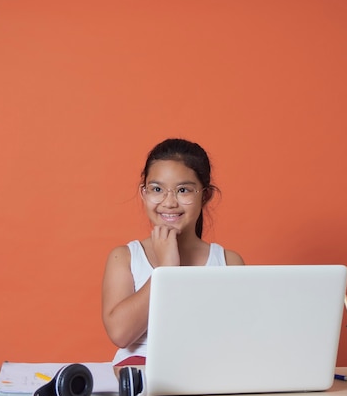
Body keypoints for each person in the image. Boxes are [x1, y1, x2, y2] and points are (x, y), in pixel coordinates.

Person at [101, 138, 244, 367]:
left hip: (206, 369)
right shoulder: (125, 257)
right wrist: (165, 270)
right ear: (144, 193)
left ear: (204, 196)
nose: (168, 202)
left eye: (183, 190)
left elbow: (235, 338)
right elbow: (121, 334)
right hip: (143, 372)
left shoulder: (228, 262)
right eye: (157, 189)